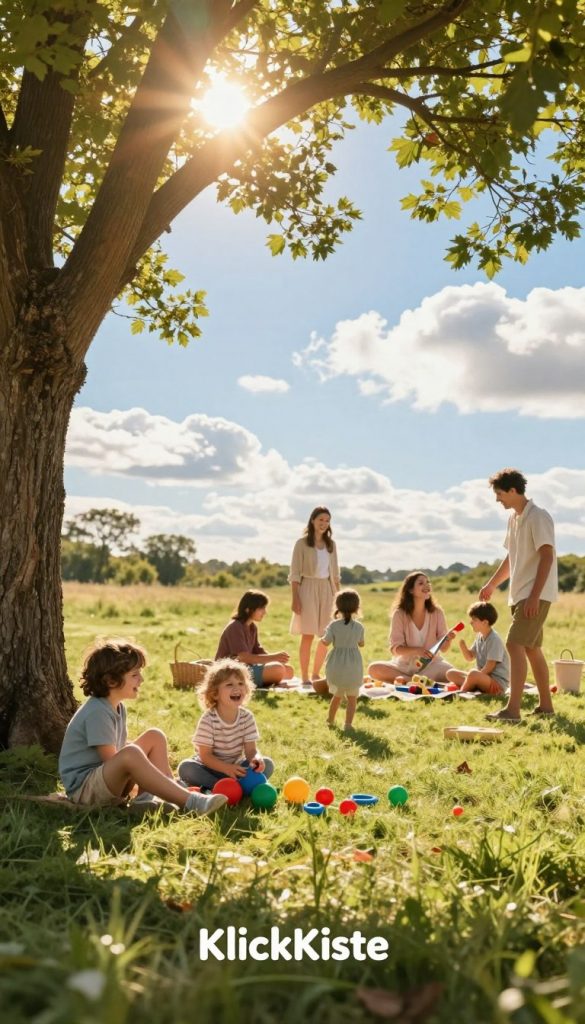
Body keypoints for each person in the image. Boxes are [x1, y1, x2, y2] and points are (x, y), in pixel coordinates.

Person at [58, 638, 227, 816]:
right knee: (131, 753)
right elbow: (113, 760)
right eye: (134, 675)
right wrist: (141, 767)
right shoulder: (97, 712)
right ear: (111, 681)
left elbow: (118, 753)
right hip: (85, 790)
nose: (142, 679)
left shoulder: (116, 706)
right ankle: (192, 802)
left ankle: (155, 797)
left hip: (103, 781)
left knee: (154, 736)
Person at [480, 468, 557, 723]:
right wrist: (492, 584)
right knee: (532, 649)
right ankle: (546, 706)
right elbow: (511, 557)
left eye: (500, 494)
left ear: (513, 491)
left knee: (514, 645)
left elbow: (547, 555)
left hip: (534, 594)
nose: (498, 499)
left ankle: (512, 711)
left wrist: (535, 597)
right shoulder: (514, 519)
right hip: (519, 594)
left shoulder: (539, 517)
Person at [178, 659, 274, 790]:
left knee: (267, 764)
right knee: (186, 768)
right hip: (210, 768)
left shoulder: (247, 717)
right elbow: (205, 756)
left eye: (241, 683)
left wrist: (257, 759)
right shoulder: (209, 720)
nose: (237, 688)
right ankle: (224, 787)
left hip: (237, 768)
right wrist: (226, 768)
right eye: (229, 684)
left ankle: (232, 787)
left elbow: (250, 750)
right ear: (215, 694)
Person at [367, 571, 455, 683]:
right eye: (421, 583)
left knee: (452, 673)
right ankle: (414, 680)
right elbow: (395, 649)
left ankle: (414, 680)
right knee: (374, 668)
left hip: (431, 666)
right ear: (410, 590)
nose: (427, 585)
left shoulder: (437, 613)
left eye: (428, 582)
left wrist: (448, 640)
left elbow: (444, 648)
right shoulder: (399, 614)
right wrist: (418, 651)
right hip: (403, 667)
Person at [289, 506, 340, 689]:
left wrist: (339, 599)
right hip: (307, 588)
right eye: (321, 520)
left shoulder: (331, 545)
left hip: (327, 589)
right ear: (312, 520)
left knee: (326, 635)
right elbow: (294, 574)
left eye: (327, 521)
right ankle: (304, 676)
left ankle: (316, 673)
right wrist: (295, 598)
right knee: (308, 634)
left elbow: (335, 575)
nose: (324, 524)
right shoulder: (301, 544)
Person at [215, 590, 294, 687]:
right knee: (278, 669)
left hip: (246, 668)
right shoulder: (235, 627)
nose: (265, 612)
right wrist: (273, 658)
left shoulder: (252, 627)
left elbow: (258, 651)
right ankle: (268, 680)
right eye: (261, 608)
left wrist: (277, 659)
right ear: (248, 609)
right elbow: (244, 657)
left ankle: (268, 680)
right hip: (229, 672)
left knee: (288, 670)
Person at [321, 589, 365, 731]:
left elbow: (326, 642)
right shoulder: (359, 627)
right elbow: (361, 644)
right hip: (353, 666)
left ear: (337, 607)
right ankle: (348, 724)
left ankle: (330, 719)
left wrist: (322, 637)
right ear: (357, 608)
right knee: (352, 698)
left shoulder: (333, 626)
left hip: (337, 665)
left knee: (337, 696)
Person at [446, 602, 510, 694]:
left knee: (473, 674)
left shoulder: (494, 639)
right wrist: (462, 645)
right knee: (450, 673)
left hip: (496, 684)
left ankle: (462, 692)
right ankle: (473, 685)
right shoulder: (480, 636)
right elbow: (470, 657)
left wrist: (476, 676)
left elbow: (490, 666)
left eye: (474, 619)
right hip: (482, 677)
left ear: (485, 622)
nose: (470, 622)